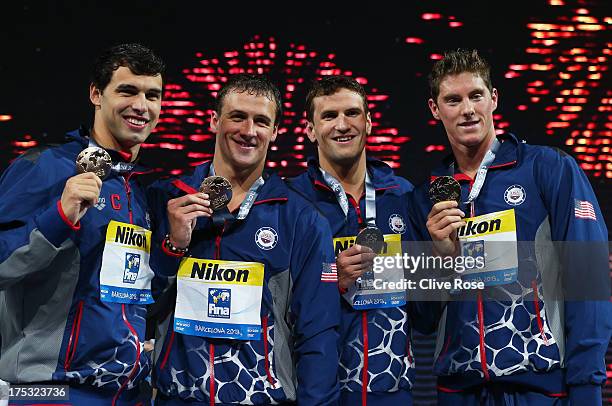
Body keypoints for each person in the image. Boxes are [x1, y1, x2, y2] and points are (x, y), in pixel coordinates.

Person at [407, 48, 611, 405]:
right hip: (460, 391)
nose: (467, 109)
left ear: (494, 99)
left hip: (542, 388)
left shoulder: (548, 169)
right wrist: (439, 259)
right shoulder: (426, 197)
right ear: (434, 110)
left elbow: (588, 278)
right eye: (453, 100)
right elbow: (423, 319)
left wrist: (586, 387)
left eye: (476, 96)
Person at [147, 74, 340, 405]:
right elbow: (138, 305)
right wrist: (173, 247)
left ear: (275, 132)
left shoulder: (301, 220)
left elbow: (318, 330)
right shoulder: (167, 198)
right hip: (177, 397)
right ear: (214, 121)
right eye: (238, 116)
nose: (249, 131)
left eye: (261, 121)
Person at [0, 43, 165, 405]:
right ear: (96, 94)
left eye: (152, 95)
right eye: (127, 90)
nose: (141, 105)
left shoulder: (140, 190)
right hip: (49, 392)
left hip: (123, 394)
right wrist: (59, 217)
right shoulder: (45, 167)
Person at [289, 76, 415, 405]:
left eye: (352, 113)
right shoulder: (291, 201)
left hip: (393, 392)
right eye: (329, 116)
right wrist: (333, 279)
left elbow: (427, 308)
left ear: (369, 122)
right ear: (310, 130)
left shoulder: (401, 195)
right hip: (318, 392)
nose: (342, 125)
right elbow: (274, 301)